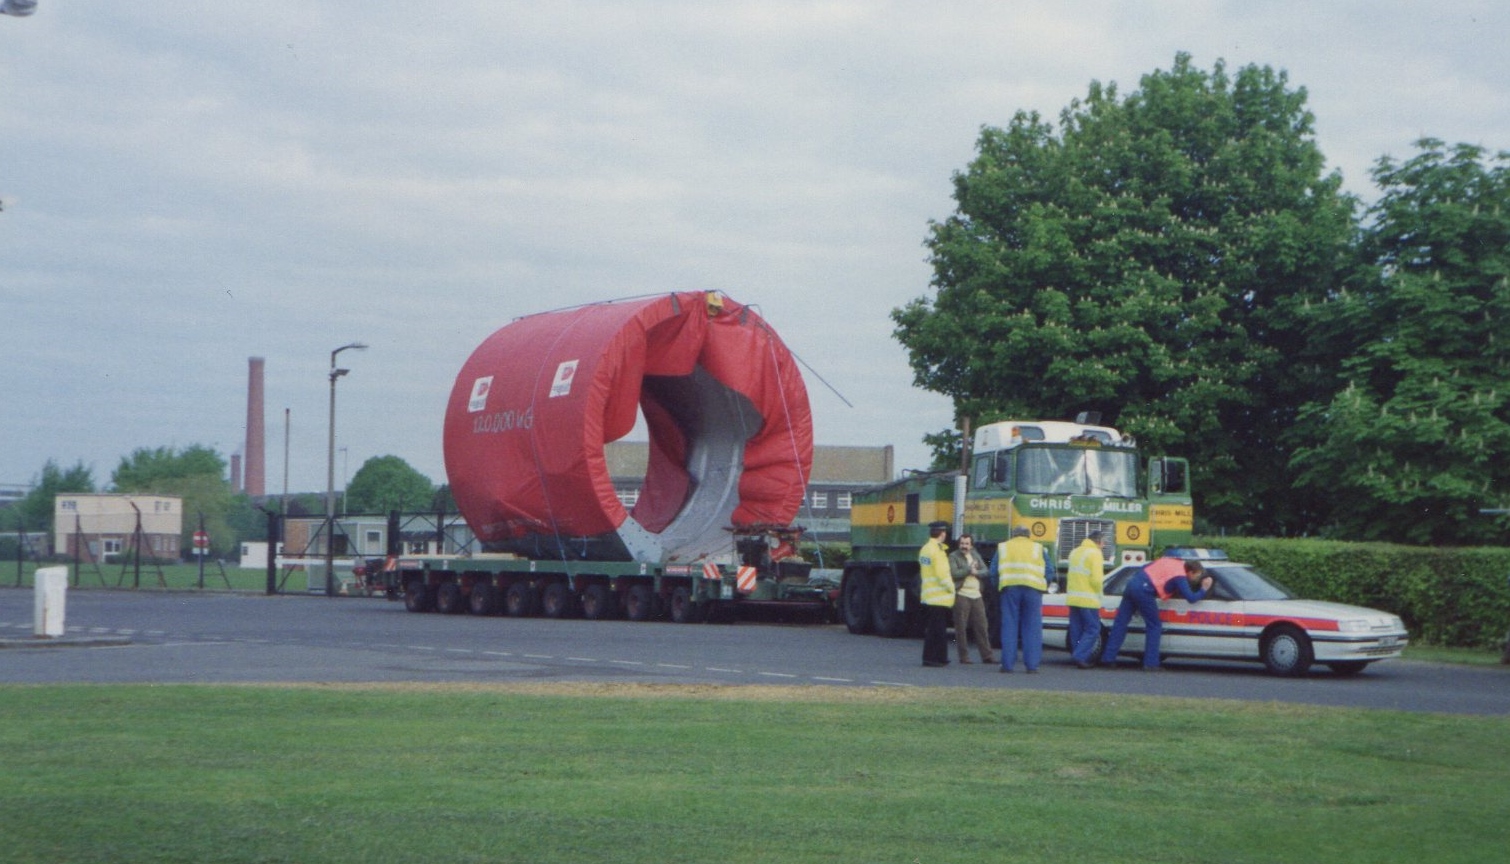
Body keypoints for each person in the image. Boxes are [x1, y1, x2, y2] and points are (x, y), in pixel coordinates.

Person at [1098, 557, 1213, 671]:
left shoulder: (1171, 561)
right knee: (1154, 626)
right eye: (1196, 576)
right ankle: (1151, 663)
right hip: (1144, 591)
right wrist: (1204, 588)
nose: (1195, 579)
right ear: (1190, 572)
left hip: (1132, 584)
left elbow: (1146, 568)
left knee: (1120, 623)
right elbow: (1191, 598)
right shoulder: (1180, 575)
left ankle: (1108, 659)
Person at [991, 527, 1051, 673]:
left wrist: (999, 587)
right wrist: (1042, 586)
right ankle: (1032, 665)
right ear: (1028, 536)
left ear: (1013, 535)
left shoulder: (1003, 547)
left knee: (1009, 627)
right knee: (1032, 628)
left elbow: (993, 571)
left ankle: (1007, 665)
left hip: (1009, 589)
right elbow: (1049, 570)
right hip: (1033, 590)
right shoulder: (1038, 548)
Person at [948, 533, 996, 665]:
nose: (964, 546)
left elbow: (985, 570)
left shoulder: (975, 554)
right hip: (962, 594)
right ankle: (964, 657)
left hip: (976, 595)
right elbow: (954, 573)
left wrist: (976, 572)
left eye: (967, 544)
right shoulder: (953, 556)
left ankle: (987, 655)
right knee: (961, 627)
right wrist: (969, 569)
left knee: (982, 626)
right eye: (962, 543)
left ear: (971, 545)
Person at [1065, 531, 1106, 668]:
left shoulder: (1075, 552)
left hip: (1073, 597)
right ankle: (1080, 656)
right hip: (1088, 599)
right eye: (1103, 542)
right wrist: (1100, 593)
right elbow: (1096, 579)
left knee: (1076, 629)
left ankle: (1077, 654)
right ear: (1098, 541)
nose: (1103, 545)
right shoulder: (1095, 554)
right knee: (1093, 629)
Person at [918, 521, 956, 667]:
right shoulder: (938, 551)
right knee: (939, 630)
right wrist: (951, 588)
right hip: (940, 596)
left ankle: (931, 657)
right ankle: (937, 658)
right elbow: (942, 574)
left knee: (933, 629)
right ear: (942, 534)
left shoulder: (926, 549)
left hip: (929, 594)